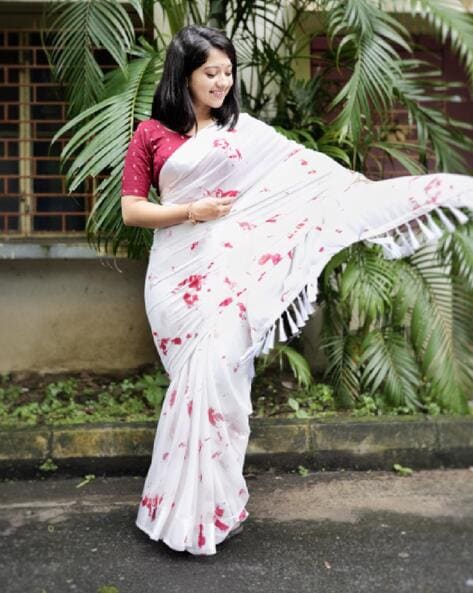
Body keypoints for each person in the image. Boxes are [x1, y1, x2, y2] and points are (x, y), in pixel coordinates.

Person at [121, 24, 473, 556]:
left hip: (232, 278)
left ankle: (208, 515)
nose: (222, 83)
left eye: (227, 72)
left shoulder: (244, 132)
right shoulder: (151, 133)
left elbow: (307, 172)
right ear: (184, 75)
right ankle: (177, 511)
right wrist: (191, 210)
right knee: (191, 389)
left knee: (222, 388)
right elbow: (132, 210)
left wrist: (354, 190)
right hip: (178, 283)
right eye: (210, 73)